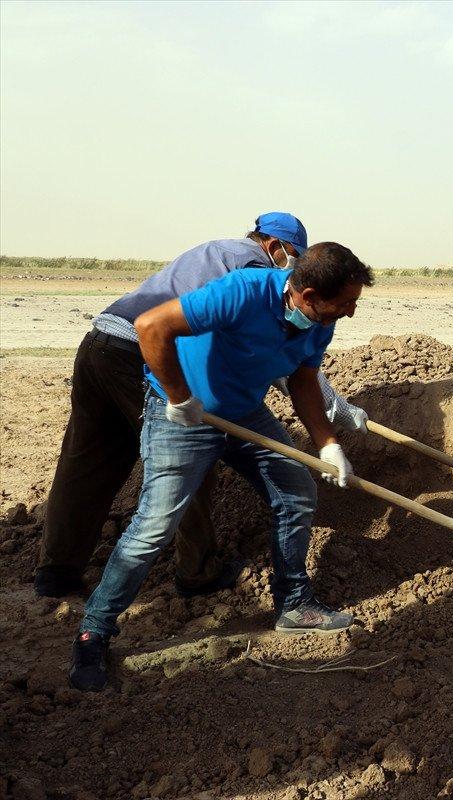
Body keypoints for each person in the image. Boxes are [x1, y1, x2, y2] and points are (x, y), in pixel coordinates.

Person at [69, 242, 374, 691]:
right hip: (185, 416)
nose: (349, 312)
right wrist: (178, 397)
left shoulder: (317, 323)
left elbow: (304, 381)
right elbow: (151, 326)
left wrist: (327, 443)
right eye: (343, 303)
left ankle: (294, 604)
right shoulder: (242, 292)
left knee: (297, 490)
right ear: (307, 294)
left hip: (245, 413)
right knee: (155, 524)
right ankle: (94, 630)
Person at [35, 213, 367, 600]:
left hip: (100, 342)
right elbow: (264, 346)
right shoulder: (254, 270)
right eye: (296, 257)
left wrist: (327, 422)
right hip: (142, 353)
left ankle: (56, 573)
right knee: (190, 460)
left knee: (85, 461)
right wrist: (332, 405)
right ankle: (197, 572)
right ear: (276, 248)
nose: (296, 268)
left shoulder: (217, 249)